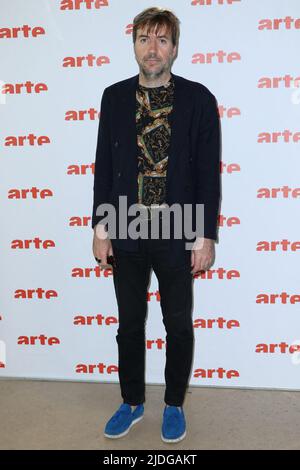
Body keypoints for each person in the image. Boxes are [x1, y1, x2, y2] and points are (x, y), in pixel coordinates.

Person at [92, 7, 221, 443]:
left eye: (162, 40)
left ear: (175, 48)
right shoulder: (113, 97)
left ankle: (173, 405)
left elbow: (207, 173)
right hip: (125, 225)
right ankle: (131, 401)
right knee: (129, 324)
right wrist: (100, 228)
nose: (153, 48)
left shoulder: (199, 99)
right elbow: (104, 167)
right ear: (134, 45)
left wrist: (204, 235)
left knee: (178, 324)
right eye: (145, 39)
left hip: (177, 228)